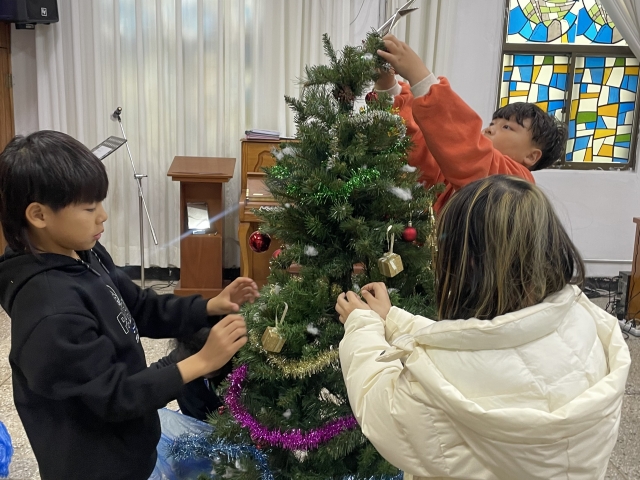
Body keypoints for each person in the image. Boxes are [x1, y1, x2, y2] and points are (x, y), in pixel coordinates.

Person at [0, 130, 259, 480]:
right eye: (90, 208)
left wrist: (209, 305)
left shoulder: (83, 252)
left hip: (131, 445)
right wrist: (199, 361)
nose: (103, 216)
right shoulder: (51, 314)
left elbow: (139, 305)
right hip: (95, 465)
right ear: (39, 215)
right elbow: (115, 396)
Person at [336, 175, 630, 480]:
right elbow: (485, 343)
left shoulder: (438, 383)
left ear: (468, 265)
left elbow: (379, 405)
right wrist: (394, 319)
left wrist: (363, 325)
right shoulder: (581, 321)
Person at [375, 34, 567, 213]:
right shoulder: (456, 170)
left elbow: (472, 153)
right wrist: (390, 88)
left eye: (506, 127)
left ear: (532, 156)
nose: (490, 129)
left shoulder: (517, 185)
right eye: (493, 123)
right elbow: (423, 148)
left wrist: (421, 78)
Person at [155, 327, 233, 421]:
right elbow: (151, 382)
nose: (208, 367)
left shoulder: (238, 364)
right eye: (201, 361)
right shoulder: (181, 359)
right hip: (196, 419)